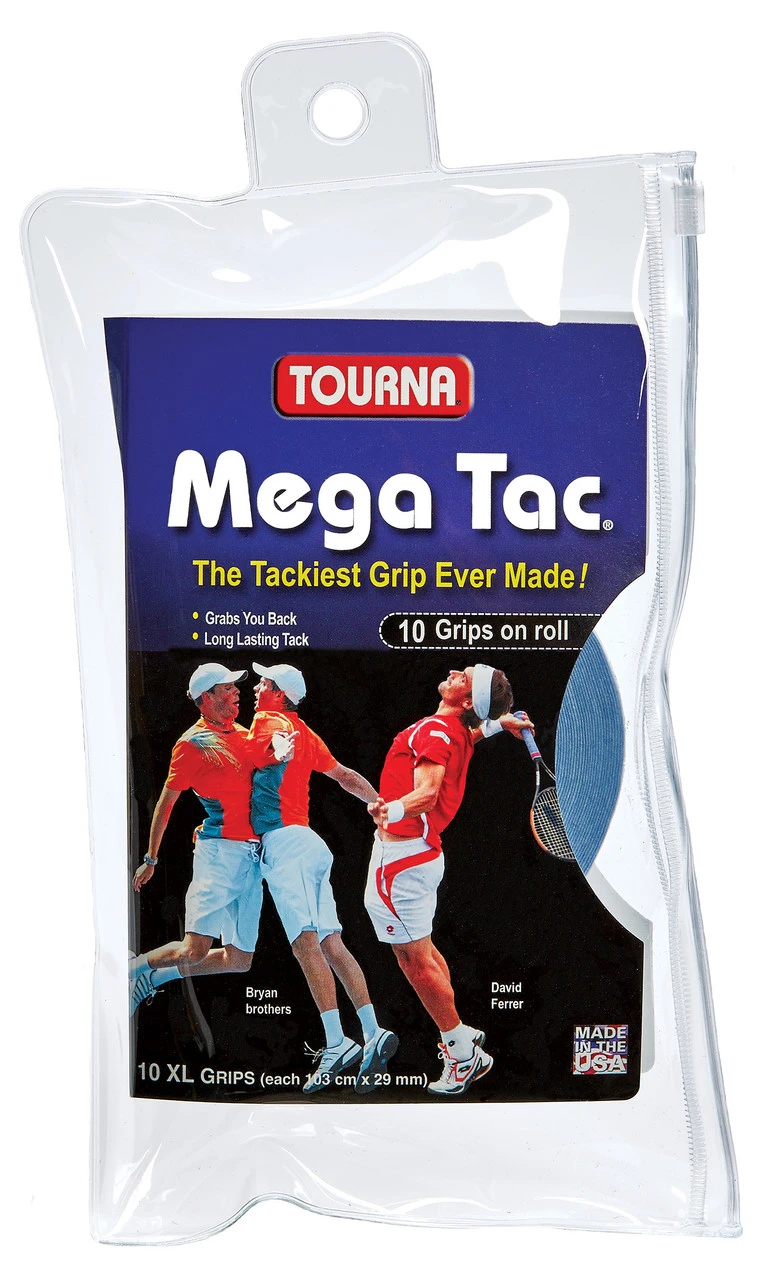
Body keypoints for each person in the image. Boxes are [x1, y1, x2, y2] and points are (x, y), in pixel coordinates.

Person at [365, 664, 532, 1096]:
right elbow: (469, 736)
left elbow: (427, 794)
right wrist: (500, 724)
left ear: (466, 699)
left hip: (401, 860)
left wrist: (390, 809)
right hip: (417, 854)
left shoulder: (437, 731)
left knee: (414, 964)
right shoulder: (453, 730)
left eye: (464, 676)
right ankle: (460, 1035)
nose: (455, 671)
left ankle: (461, 1055)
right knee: (422, 954)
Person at [248, 662, 397, 1095]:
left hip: (285, 845)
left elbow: (272, 746)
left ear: (278, 693)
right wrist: (378, 804)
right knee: (332, 944)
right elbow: (344, 776)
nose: (256, 688)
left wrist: (276, 747)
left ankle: (336, 1042)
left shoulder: (268, 720)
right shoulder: (306, 731)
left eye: (263, 683)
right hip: (311, 845)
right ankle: (372, 1031)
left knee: (305, 944)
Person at [129, 662, 293, 1014]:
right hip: (218, 855)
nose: (237, 692)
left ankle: (152, 979)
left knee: (239, 960)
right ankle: (128, 971)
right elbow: (165, 803)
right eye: (228, 687)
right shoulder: (191, 744)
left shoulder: (245, 733)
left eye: (235, 686)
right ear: (207, 697)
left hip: (252, 858)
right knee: (194, 950)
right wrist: (150, 859)